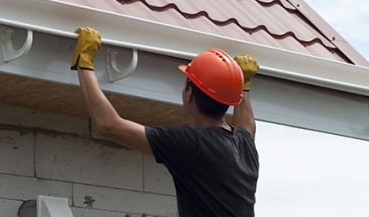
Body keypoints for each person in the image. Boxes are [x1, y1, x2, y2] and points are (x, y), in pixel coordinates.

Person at [71, 27, 260, 217]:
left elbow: (109, 125)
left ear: (189, 92)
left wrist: (84, 62)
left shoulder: (192, 144)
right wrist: (243, 85)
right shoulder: (245, 146)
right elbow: (247, 124)